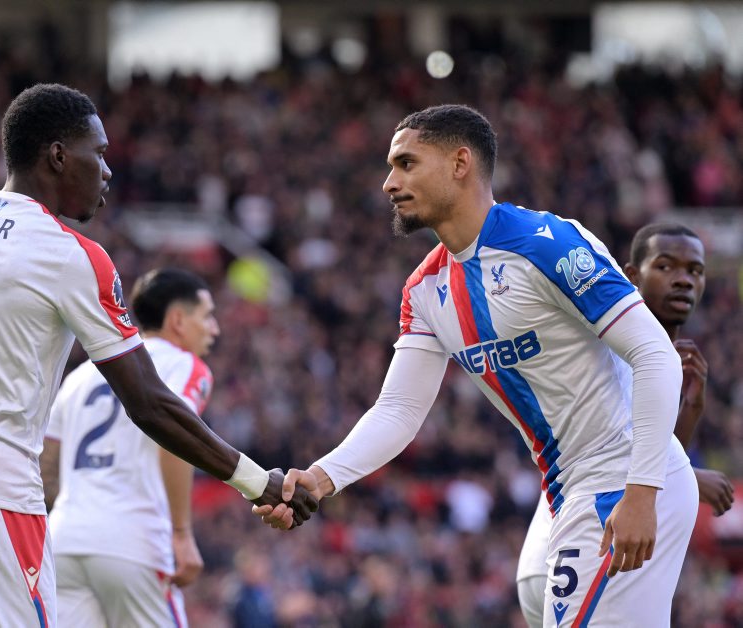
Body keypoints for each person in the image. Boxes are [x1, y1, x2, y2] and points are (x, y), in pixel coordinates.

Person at [0, 83, 315, 627]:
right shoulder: (71, 255)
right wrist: (257, 481)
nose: (107, 171)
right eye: (97, 153)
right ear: (58, 155)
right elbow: (149, 403)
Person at [255, 105, 697, 626]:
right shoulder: (424, 290)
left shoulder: (548, 244)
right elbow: (399, 410)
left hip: (623, 478)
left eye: (406, 164)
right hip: (572, 492)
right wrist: (321, 478)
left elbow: (655, 355)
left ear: (460, 163)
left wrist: (642, 492)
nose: (389, 183)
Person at [515, 222, 735, 626]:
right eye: (666, 267)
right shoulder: (612, 346)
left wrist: (691, 409)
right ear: (632, 275)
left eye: (695, 270)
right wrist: (692, 477)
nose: (683, 280)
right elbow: (610, 453)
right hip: (573, 544)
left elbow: (653, 453)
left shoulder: (664, 357)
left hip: (578, 551)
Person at [40, 268, 219, 627]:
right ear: (177, 320)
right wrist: (181, 534)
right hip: (132, 541)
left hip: (65, 540)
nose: (214, 329)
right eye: (207, 316)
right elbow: (177, 440)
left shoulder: (82, 375)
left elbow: (46, 465)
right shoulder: (185, 365)